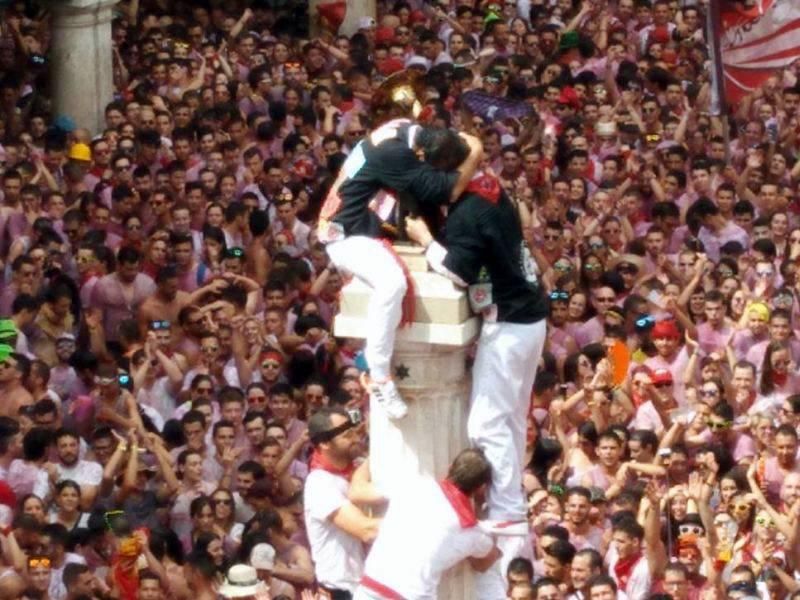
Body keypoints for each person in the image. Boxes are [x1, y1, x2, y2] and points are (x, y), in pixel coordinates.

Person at [405, 129, 548, 597]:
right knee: (504, 417)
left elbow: (454, 268)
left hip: (509, 325)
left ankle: (506, 512)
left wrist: (425, 238)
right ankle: (510, 509)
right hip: (526, 318)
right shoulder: (489, 184)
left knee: (488, 425)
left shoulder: (468, 211)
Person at [317, 70, 483, 419]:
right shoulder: (393, 149)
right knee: (391, 282)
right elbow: (443, 189)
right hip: (344, 235)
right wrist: (474, 153)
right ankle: (378, 375)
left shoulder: (397, 133)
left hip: (364, 228)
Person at [351, 447, 501, 599]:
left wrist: (373, 455)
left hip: (371, 587)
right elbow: (484, 562)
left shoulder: (414, 484)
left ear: (450, 467)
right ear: (481, 488)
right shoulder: (472, 531)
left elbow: (357, 492)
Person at [303, 407, 379, 598]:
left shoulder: (358, 469)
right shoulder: (319, 483)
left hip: (368, 586)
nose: (356, 439)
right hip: (342, 591)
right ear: (324, 443)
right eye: (348, 435)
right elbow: (366, 530)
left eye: (355, 431)